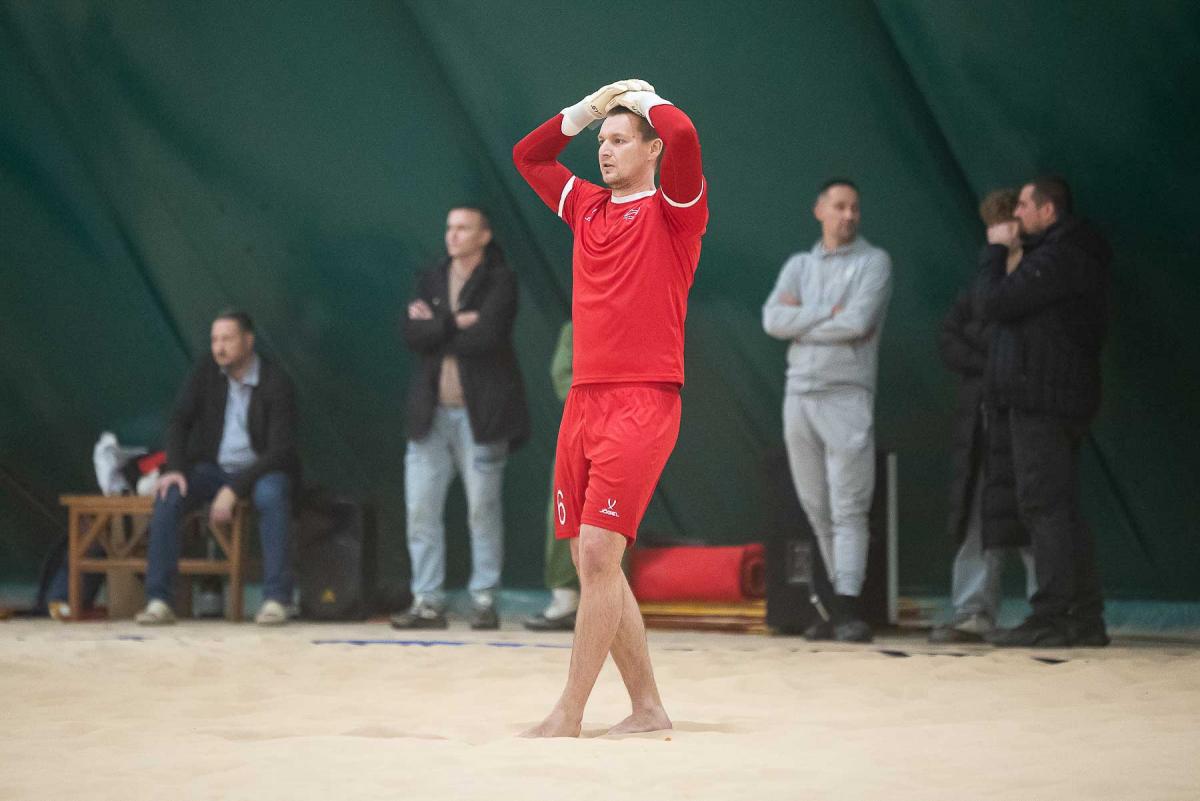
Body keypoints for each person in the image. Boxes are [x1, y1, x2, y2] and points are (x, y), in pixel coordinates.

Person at [512, 78, 707, 736]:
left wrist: (644, 97)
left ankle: (569, 711)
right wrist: (589, 109)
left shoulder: (675, 210)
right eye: (604, 140)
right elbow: (528, 156)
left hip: (644, 397)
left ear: (650, 150)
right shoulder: (586, 206)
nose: (605, 149)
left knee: (598, 551)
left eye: (621, 140)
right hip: (584, 400)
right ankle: (647, 707)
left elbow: (683, 133)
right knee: (591, 559)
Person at [977, 176, 1111, 648]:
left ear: (1048, 210)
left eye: (1023, 206)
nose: (1016, 215)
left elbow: (994, 302)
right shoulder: (1064, 255)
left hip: (1043, 399)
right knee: (1063, 509)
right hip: (1057, 395)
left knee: (1044, 506)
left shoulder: (1059, 257)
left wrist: (996, 251)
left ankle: (1052, 616)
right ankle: (1085, 618)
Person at [762, 179, 892, 643]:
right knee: (816, 506)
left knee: (848, 506)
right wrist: (827, 314)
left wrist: (803, 320)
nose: (848, 215)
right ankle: (836, 609)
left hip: (847, 396)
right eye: (839, 206)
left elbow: (857, 322)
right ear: (820, 210)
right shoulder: (799, 265)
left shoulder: (873, 262)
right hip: (798, 395)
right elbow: (772, 319)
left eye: (854, 207)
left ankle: (850, 605)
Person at [390, 206, 530, 631]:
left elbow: (487, 337)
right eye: (449, 227)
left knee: (482, 510)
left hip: (481, 415)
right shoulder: (431, 277)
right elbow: (410, 334)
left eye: (463, 228)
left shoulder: (500, 280)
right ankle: (427, 601)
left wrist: (436, 329)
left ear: (484, 236)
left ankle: (484, 600)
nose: (452, 235)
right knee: (420, 509)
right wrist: (454, 323)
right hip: (429, 416)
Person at [135, 310, 299, 626]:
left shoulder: (276, 381)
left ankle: (277, 599)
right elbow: (179, 420)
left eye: (227, 339)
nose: (219, 348)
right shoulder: (205, 371)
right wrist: (175, 469)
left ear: (248, 341)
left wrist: (233, 490)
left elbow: (281, 451)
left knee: (273, 495)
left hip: (261, 470)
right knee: (169, 494)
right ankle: (159, 600)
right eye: (214, 340)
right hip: (212, 470)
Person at [929, 189, 1036, 644]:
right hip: (980, 417)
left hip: (1025, 414)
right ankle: (973, 611)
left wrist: (992, 353)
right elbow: (949, 338)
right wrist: (990, 360)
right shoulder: (980, 281)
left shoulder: (1038, 276)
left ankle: (1047, 610)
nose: (998, 232)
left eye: (1005, 222)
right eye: (991, 225)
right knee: (977, 513)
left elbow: (1020, 341)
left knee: (1032, 510)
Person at [523, 321, 580, 631]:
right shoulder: (576, 325)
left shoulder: (639, 323)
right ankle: (565, 599)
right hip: (579, 427)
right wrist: (596, 399)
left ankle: (609, 603)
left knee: (614, 521)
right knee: (564, 510)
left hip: (625, 428)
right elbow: (562, 374)